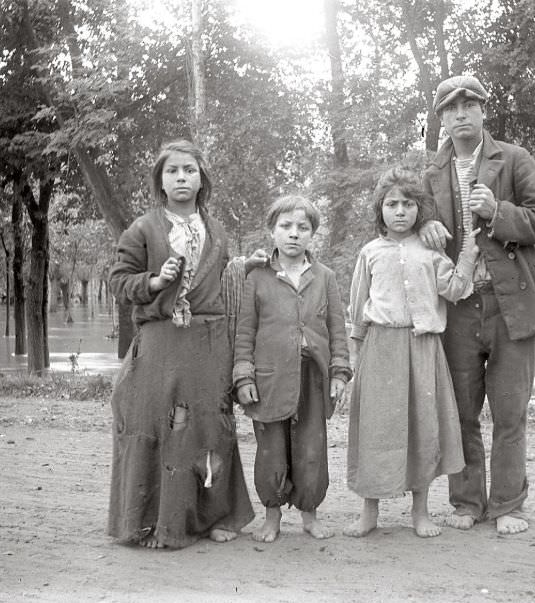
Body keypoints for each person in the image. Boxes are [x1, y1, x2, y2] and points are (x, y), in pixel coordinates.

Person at [107, 139, 264, 549]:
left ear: (201, 179)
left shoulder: (217, 230)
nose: (182, 177)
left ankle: (215, 516)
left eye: (189, 170)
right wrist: (155, 281)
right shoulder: (142, 229)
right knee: (157, 425)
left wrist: (246, 267)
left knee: (211, 427)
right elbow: (119, 281)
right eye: (173, 170)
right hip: (160, 341)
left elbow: (222, 282)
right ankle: (156, 523)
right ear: (161, 180)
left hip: (208, 342)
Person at [419, 75, 535, 535]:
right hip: (456, 307)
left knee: (510, 412)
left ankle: (507, 506)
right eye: (450, 109)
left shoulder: (514, 159)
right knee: (461, 412)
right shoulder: (430, 174)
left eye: (468, 106)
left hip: (510, 305)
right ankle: (466, 502)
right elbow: (405, 230)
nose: (460, 115)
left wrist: (497, 211)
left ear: (483, 112)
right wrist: (425, 231)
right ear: (441, 119)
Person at [343, 166, 480, 539]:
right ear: (380, 210)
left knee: (423, 431)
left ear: (419, 209)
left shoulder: (430, 253)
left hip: (423, 349)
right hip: (380, 350)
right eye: (391, 204)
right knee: (377, 431)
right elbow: (358, 311)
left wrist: (467, 256)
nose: (399, 211)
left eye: (407, 204)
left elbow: (453, 290)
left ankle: (420, 512)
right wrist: (354, 359)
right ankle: (369, 512)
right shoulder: (369, 253)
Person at [233, 195, 352, 543]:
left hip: (313, 379)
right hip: (269, 380)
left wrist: (340, 373)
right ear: (272, 231)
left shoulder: (325, 277)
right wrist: (244, 375)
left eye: (303, 228)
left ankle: (310, 515)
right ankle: (271, 517)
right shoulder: (257, 277)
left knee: (311, 451)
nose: (294, 234)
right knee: (271, 452)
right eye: (285, 226)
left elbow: (338, 330)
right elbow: (244, 331)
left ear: (312, 235)